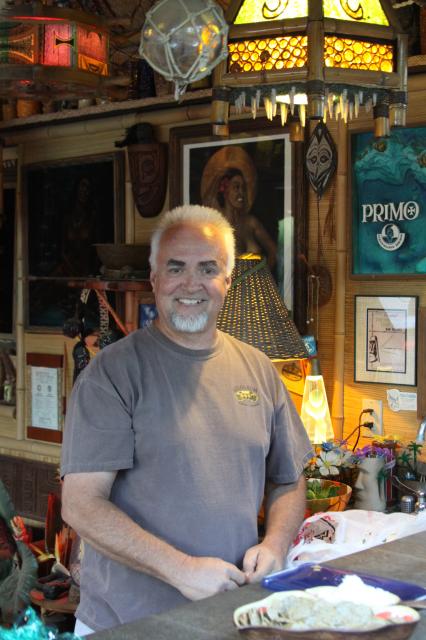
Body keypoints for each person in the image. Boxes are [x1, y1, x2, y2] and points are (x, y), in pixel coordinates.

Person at [60, 204, 313, 635]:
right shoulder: (112, 375)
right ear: (154, 278)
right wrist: (180, 569)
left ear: (227, 281)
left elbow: (288, 479)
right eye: (175, 268)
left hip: (228, 619)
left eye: (207, 269)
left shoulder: (259, 369)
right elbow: (81, 505)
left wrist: (275, 543)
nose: (191, 284)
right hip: (126, 626)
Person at [201, 146, 277, 268]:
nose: (241, 193)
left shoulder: (251, 222)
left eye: (243, 188)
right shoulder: (214, 226)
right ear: (224, 190)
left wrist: (261, 274)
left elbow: (274, 251)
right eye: (236, 187)